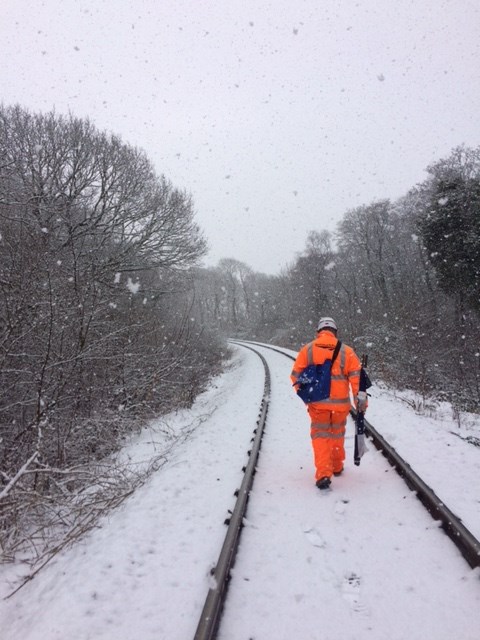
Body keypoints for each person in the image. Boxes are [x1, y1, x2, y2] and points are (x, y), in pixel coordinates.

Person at [290, 317, 367, 490]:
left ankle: (324, 473)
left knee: (321, 436)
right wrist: (361, 403)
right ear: (335, 332)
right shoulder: (347, 352)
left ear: (319, 332)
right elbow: (357, 380)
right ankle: (337, 466)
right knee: (337, 434)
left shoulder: (308, 349)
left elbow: (295, 376)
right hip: (340, 405)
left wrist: (307, 396)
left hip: (318, 405)